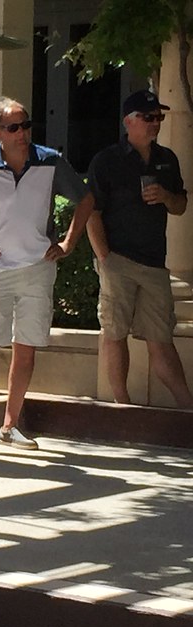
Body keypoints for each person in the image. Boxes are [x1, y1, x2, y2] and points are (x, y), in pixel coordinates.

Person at [0, 97, 94, 455]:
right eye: (14, 128)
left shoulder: (51, 162)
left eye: (26, 125)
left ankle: (10, 427)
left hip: (38, 269)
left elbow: (85, 200)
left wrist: (68, 243)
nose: (22, 133)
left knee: (26, 350)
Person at [86, 90, 193, 409]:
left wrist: (166, 197)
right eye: (149, 117)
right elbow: (92, 213)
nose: (156, 123)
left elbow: (181, 206)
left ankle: (187, 408)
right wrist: (105, 258)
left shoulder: (167, 159)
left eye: (158, 117)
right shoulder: (107, 160)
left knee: (162, 339)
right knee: (115, 334)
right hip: (118, 259)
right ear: (129, 121)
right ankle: (122, 406)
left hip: (155, 265)